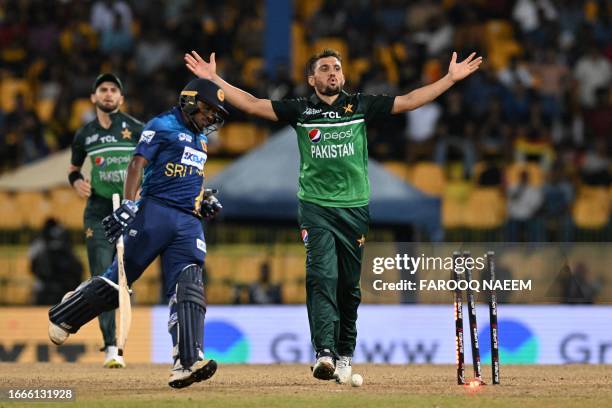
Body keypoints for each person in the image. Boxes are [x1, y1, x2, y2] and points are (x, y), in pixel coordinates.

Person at [184, 48, 482, 383]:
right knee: (321, 276)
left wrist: (450, 79)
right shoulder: (300, 110)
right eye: (325, 69)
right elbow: (253, 104)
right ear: (312, 79)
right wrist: (213, 79)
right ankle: (324, 353)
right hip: (315, 207)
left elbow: (411, 100)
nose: (332, 73)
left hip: (354, 209)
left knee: (349, 289)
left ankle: (344, 355)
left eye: (337, 68)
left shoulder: (360, 105)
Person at [48, 78, 227, 389]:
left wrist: (204, 197)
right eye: (208, 110)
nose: (211, 117)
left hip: (188, 221)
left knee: (189, 284)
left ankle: (187, 362)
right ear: (190, 101)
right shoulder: (162, 124)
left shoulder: (201, 140)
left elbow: (193, 176)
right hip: (153, 212)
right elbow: (136, 164)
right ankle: (67, 313)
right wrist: (130, 205)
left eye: (215, 113)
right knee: (119, 280)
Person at [68, 73, 143, 368]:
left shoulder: (137, 129)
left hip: (131, 210)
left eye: (114, 90)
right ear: (93, 97)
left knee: (125, 277)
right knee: (102, 276)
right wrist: (76, 182)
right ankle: (112, 347)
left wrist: (139, 196)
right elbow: (74, 169)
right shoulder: (84, 134)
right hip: (98, 212)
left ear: (121, 98)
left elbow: (153, 163)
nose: (109, 94)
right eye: (103, 89)